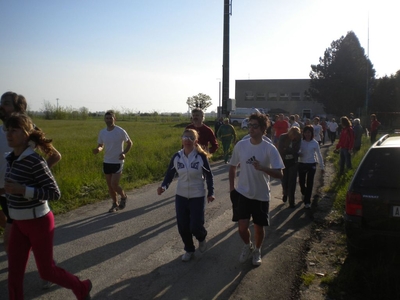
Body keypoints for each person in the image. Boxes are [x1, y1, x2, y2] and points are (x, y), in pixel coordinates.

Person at [4, 113, 92, 300]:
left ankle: (81, 287)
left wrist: (23, 190)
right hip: (19, 223)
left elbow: (54, 193)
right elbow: (13, 189)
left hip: (39, 222)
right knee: (14, 272)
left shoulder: (35, 161)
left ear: (27, 133)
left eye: (14, 130)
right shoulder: (11, 158)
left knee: (46, 272)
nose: (8, 134)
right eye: (7, 130)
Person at [0, 91, 61, 289]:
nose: (2, 106)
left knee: (11, 240)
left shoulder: (28, 131)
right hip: (5, 194)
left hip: (25, 198)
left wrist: (31, 183)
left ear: (19, 109)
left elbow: (54, 156)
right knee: (16, 239)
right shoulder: (4, 130)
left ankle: (44, 270)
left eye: (6, 103)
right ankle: (41, 267)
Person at [229, 113, 284, 266]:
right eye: (249, 125)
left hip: (261, 195)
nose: (251, 129)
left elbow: (280, 174)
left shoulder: (269, 148)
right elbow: (232, 166)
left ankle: (257, 250)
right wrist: (232, 188)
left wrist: (263, 168)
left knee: (259, 228)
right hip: (243, 193)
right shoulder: (241, 145)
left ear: (262, 128)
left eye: (254, 126)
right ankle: (248, 245)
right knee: (242, 228)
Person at [157, 128, 214, 262]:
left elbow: (209, 176)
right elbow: (170, 174)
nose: (187, 140)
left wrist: (211, 192)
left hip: (197, 195)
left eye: (191, 138)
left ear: (195, 141)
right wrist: (163, 186)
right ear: (181, 140)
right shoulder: (177, 157)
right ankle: (189, 249)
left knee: (195, 225)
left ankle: (201, 237)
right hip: (181, 196)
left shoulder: (201, 157)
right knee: (183, 226)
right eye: (185, 137)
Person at [93, 110, 132, 212]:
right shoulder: (102, 132)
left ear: (114, 119)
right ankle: (115, 204)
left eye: (111, 118)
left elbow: (130, 143)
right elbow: (101, 145)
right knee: (110, 186)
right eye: (107, 118)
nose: (109, 120)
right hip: (107, 161)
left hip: (117, 161)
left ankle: (123, 196)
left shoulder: (120, 131)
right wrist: (98, 149)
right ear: (104, 119)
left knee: (114, 184)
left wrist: (124, 153)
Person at [298, 125, 325, 209]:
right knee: (301, 182)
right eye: (305, 132)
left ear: (311, 133)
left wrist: (322, 166)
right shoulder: (301, 142)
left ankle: (307, 201)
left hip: (311, 164)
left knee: (310, 183)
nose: (307, 134)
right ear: (303, 133)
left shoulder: (315, 143)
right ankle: (304, 192)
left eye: (309, 132)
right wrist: (299, 153)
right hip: (302, 163)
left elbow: (319, 155)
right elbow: (297, 150)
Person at [277, 126, 301, 208]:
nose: (294, 137)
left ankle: (291, 200)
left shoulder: (298, 139)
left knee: (292, 181)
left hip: (293, 162)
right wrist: (289, 150)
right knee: (284, 180)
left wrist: (287, 149)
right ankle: (285, 193)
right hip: (283, 162)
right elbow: (280, 149)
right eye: (293, 135)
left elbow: (296, 151)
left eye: (295, 136)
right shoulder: (283, 137)